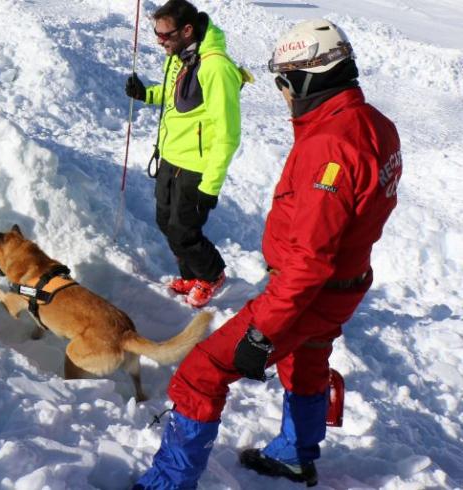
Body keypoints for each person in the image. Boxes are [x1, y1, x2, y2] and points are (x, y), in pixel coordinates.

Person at [133, 18, 402, 489]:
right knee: (309, 357)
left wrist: (262, 332)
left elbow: (308, 261)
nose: (282, 93)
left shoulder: (330, 146)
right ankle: (294, 455)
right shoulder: (374, 124)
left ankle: (167, 484)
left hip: (308, 293)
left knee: (202, 372)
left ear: (304, 77)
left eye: (283, 81)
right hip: (345, 284)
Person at [125, 0, 242, 308]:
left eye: (165, 35)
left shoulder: (216, 67)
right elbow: (174, 94)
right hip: (170, 156)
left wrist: (211, 186)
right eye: (156, 33)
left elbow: (228, 134)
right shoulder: (179, 55)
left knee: (184, 229)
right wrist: (145, 94)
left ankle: (212, 274)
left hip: (197, 165)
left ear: (187, 30)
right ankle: (191, 273)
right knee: (165, 221)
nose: (159, 41)